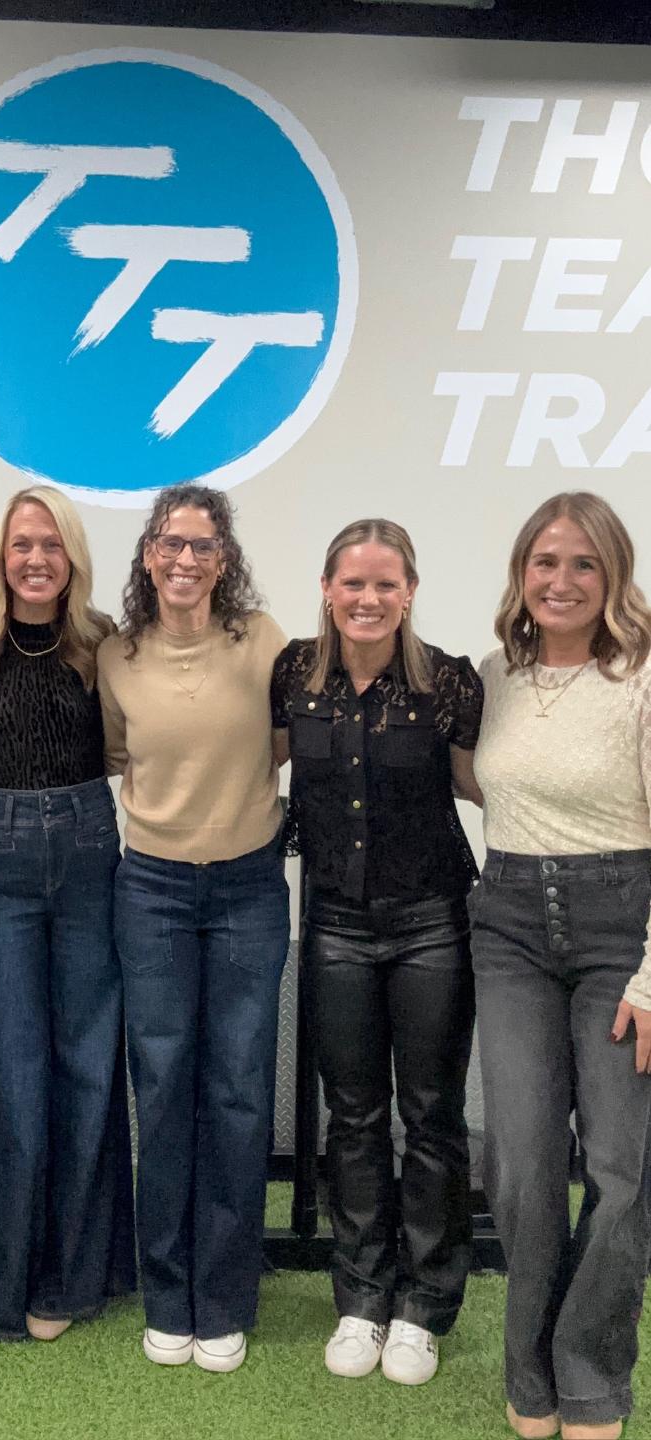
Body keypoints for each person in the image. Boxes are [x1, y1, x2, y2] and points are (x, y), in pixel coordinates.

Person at [270, 518, 482, 1387]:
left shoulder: (449, 683)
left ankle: (424, 1308)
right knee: (353, 1117)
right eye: (352, 583)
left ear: (410, 592)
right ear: (327, 590)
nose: (368, 598)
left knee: (431, 1116)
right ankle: (361, 1299)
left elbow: (484, 784)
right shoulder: (293, 675)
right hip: (336, 927)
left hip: (433, 922)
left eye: (385, 584)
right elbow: (257, 766)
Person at [97, 482, 289, 1374]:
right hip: (153, 891)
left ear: (224, 559)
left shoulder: (263, 641)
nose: (185, 558)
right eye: (170, 543)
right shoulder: (118, 654)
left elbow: (284, 741)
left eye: (203, 545)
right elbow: (115, 753)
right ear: (148, 556)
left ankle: (226, 1297)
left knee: (240, 1089)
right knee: (165, 1084)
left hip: (249, 888)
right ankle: (167, 1293)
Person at [472, 492, 651, 1440]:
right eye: (545, 561)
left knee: (619, 1168)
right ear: (521, 572)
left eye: (584, 563)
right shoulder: (497, 675)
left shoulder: (643, 676)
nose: (563, 580)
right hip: (508, 927)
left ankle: (590, 1377)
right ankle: (530, 1373)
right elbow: (484, 782)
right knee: (521, 1163)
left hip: (623, 932)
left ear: (613, 574)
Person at [0, 484, 135, 1343]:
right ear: (1, 555)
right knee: (9, 1069)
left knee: (89, 1065)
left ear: (73, 557)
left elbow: (132, 742)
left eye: (52, 545)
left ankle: (75, 1276)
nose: (36, 559)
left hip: (89, 851)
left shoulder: (103, 642)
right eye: (22, 544)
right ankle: (9, 1281)